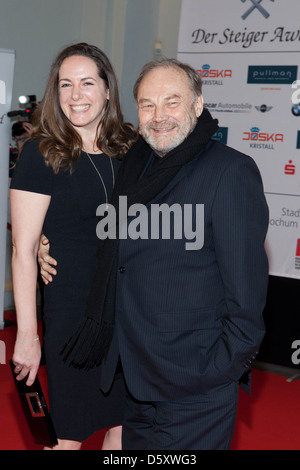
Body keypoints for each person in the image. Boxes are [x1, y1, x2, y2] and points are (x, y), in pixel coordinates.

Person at [40, 58, 269, 450]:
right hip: (133, 379)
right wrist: (46, 243)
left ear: (198, 105)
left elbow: (246, 298)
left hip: (195, 384)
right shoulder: (133, 165)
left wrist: (219, 371)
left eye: (172, 102)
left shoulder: (230, 172)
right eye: (147, 104)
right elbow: (108, 237)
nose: (159, 116)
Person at [10, 43, 136, 450]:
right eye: (65, 84)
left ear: (107, 90)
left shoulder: (131, 149)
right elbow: (24, 249)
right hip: (74, 316)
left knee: (124, 427)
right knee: (67, 434)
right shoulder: (41, 154)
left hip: (128, 311)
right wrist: (27, 334)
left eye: (86, 83)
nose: (75, 95)